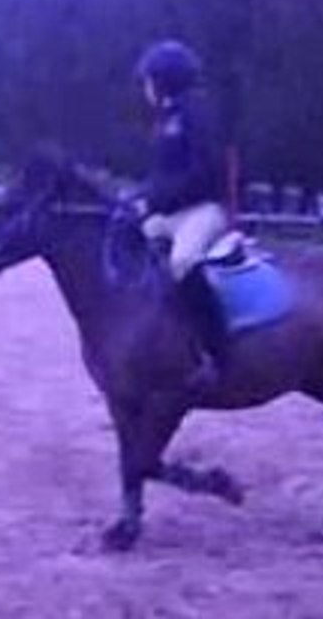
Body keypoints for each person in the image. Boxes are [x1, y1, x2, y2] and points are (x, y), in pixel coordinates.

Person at [130, 39, 237, 388]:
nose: (145, 87)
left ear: (164, 80)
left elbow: (205, 172)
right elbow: (162, 174)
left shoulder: (197, 114)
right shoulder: (166, 118)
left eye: (148, 80)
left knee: (183, 260)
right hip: (174, 211)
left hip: (206, 208)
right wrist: (138, 197)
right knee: (128, 241)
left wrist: (155, 200)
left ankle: (217, 353)